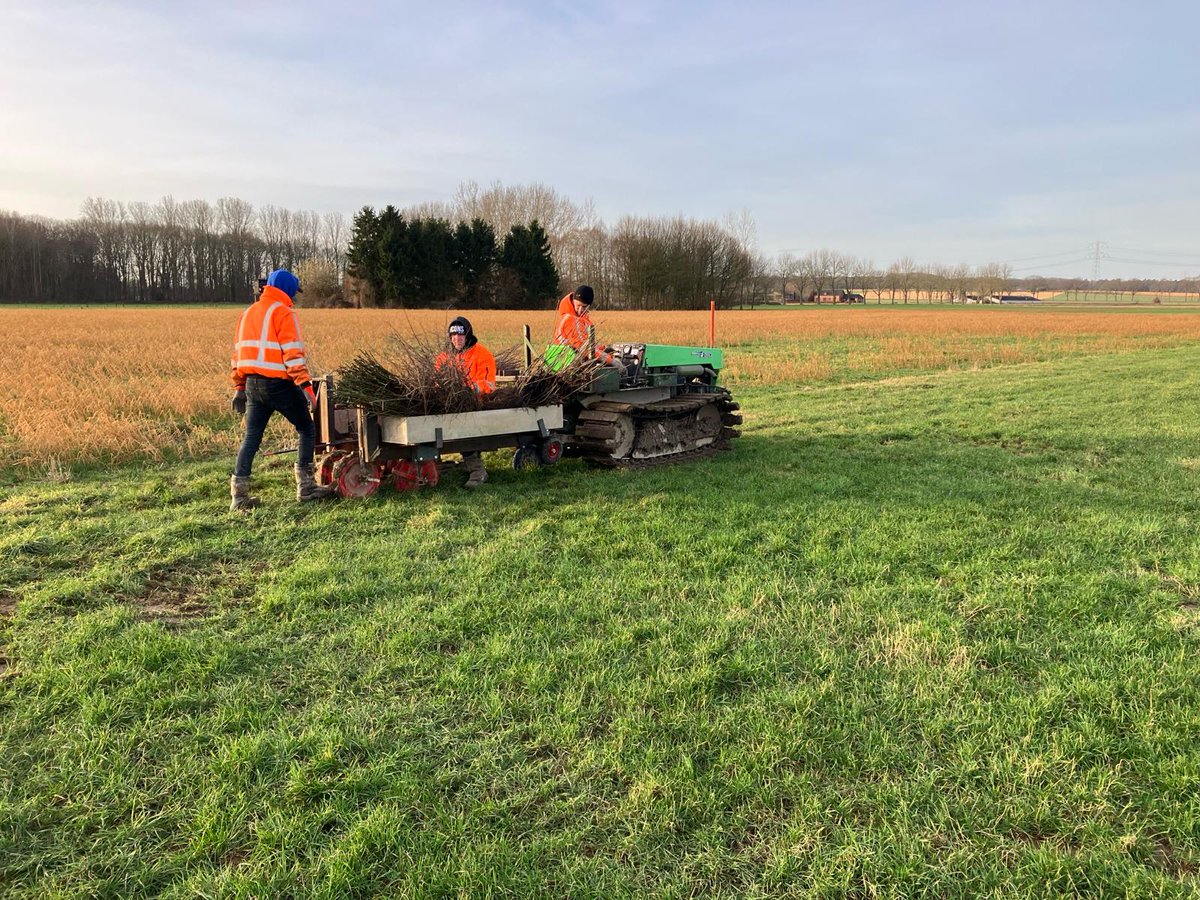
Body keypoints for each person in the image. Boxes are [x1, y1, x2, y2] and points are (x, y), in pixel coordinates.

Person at [229, 269, 334, 511]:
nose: (294, 298)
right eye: (293, 292)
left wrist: (239, 386)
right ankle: (306, 488)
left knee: (252, 438)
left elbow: (238, 354)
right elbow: (293, 355)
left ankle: (239, 496)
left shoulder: (247, 313)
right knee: (307, 428)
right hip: (279, 385)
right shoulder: (283, 312)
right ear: (287, 289)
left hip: (253, 386)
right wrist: (306, 387)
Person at [434, 316, 496, 488]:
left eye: (460, 335)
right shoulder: (443, 357)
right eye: (453, 335)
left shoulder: (482, 354)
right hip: (449, 403)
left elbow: (489, 385)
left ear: (467, 335)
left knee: (463, 425)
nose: (457, 339)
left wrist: (467, 390)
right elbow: (437, 382)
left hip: (475, 403)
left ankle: (477, 471)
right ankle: (434, 462)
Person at [550, 284, 616, 366]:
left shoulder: (582, 318)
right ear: (573, 301)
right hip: (565, 365)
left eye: (584, 307)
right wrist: (611, 361)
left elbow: (588, 343)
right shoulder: (570, 320)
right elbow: (585, 348)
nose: (581, 310)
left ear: (589, 306)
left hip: (573, 361)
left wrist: (603, 349)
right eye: (578, 305)